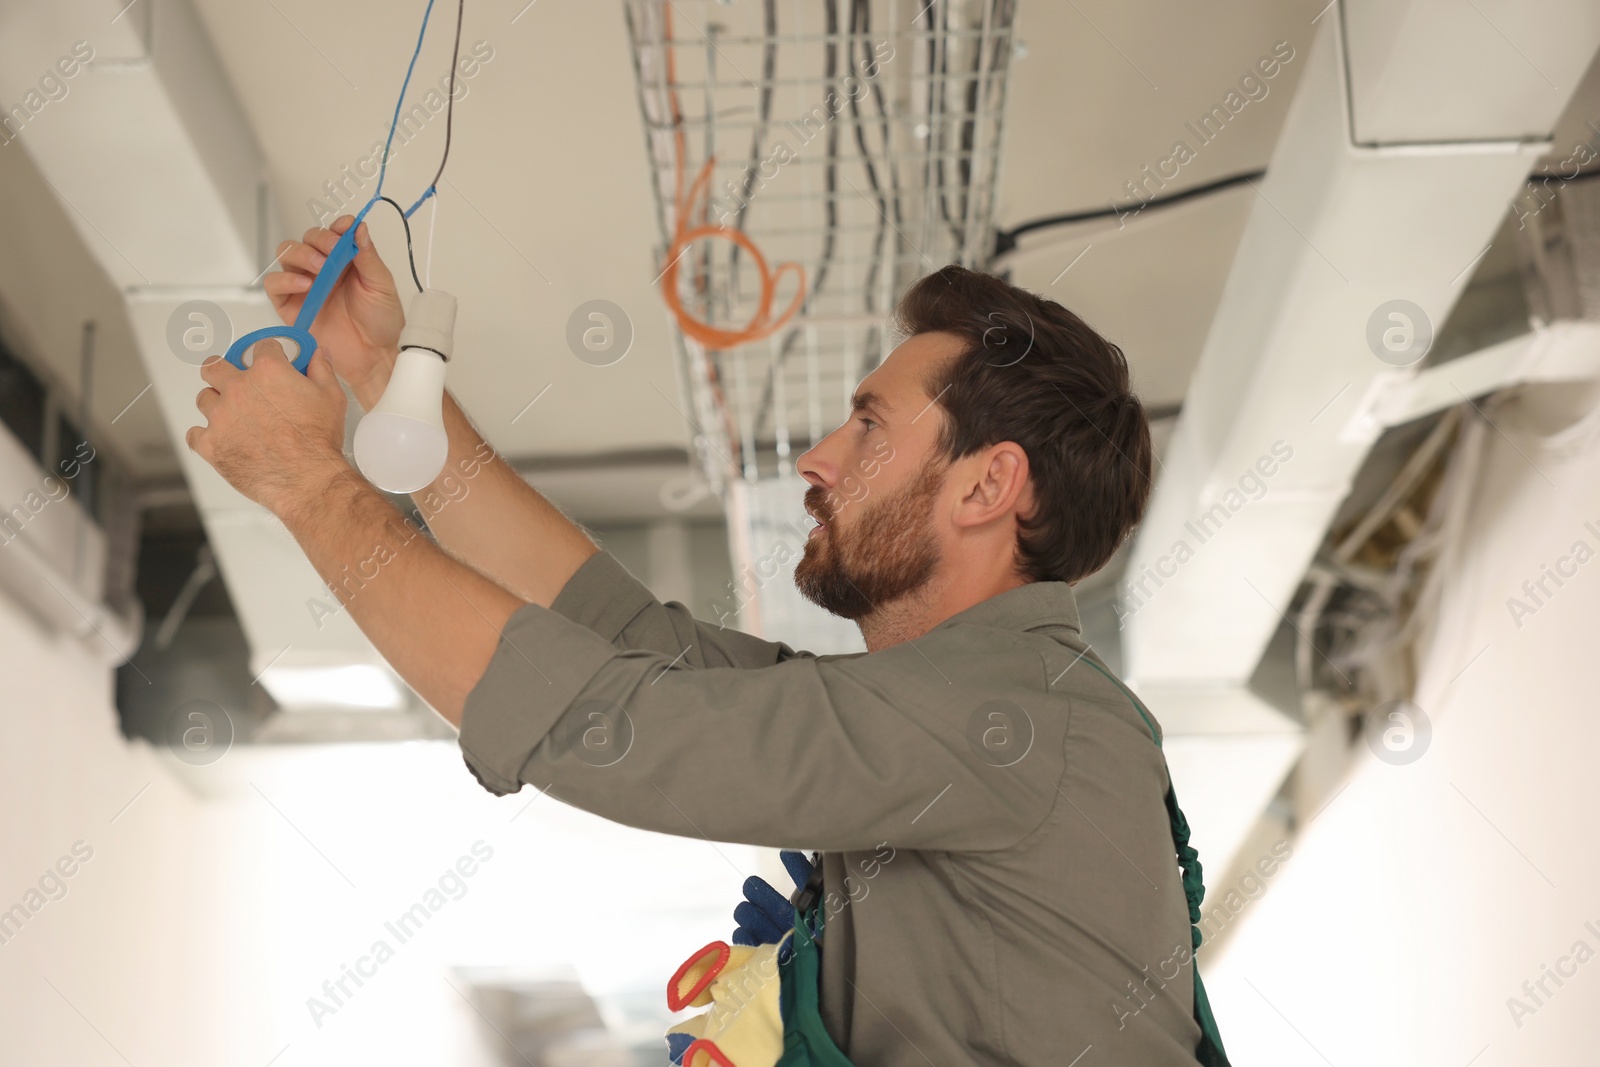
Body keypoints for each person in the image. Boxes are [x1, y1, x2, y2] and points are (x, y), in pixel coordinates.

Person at [188, 214, 1213, 1066]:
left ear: (987, 486)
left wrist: (309, 483)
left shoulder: (1008, 713)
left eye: (868, 427)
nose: (816, 459)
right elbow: (626, 643)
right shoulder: (979, 702)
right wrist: (379, 374)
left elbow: (613, 725)